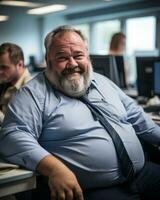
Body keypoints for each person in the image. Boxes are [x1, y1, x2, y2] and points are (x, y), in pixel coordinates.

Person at [0, 25, 160, 200]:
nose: (73, 64)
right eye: (62, 57)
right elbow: (12, 136)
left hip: (143, 174)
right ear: (48, 60)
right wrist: (55, 168)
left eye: (78, 55)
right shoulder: (32, 93)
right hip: (95, 189)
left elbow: (136, 116)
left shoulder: (103, 82)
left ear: (87, 57)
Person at [0, 43, 31, 124]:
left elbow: (19, 125)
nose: (0, 72)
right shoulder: (7, 81)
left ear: (20, 65)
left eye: (4, 67)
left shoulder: (30, 89)